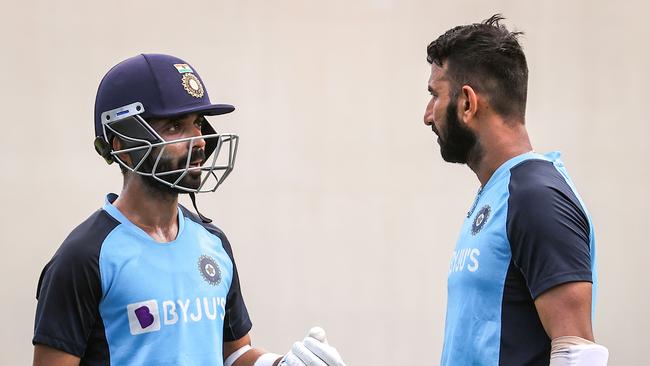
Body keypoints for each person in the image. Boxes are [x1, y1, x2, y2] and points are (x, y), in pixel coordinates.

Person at [32, 53, 346, 366]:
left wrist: (280, 365)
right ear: (124, 147)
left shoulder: (213, 242)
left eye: (197, 123)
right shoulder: (84, 257)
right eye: (175, 126)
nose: (199, 140)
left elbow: (233, 352)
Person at [423, 15, 609, 365]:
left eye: (435, 95)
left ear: (467, 102)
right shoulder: (499, 193)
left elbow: (578, 353)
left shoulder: (536, 196)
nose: (428, 115)